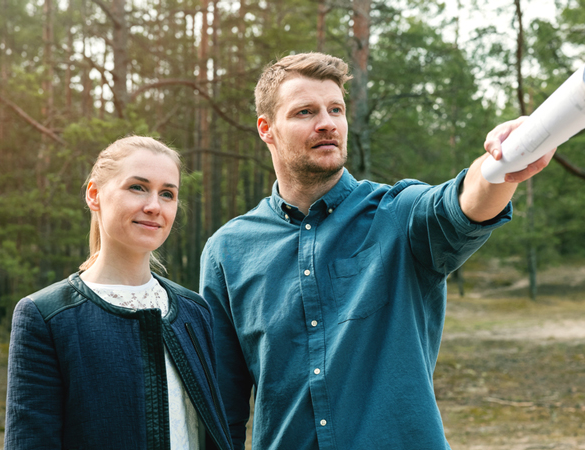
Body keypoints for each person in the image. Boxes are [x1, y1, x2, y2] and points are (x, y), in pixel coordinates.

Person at [199, 52, 554, 449]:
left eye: (336, 109)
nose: (327, 123)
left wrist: (503, 163)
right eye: (305, 112)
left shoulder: (397, 214)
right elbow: (221, 408)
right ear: (266, 129)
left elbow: (462, 203)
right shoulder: (227, 252)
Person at [5, 136, 232, 450]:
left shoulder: (194, 311)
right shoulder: (46, 316)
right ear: (94, 195)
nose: (154, 206)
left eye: (167, 193)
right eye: (137, 187)